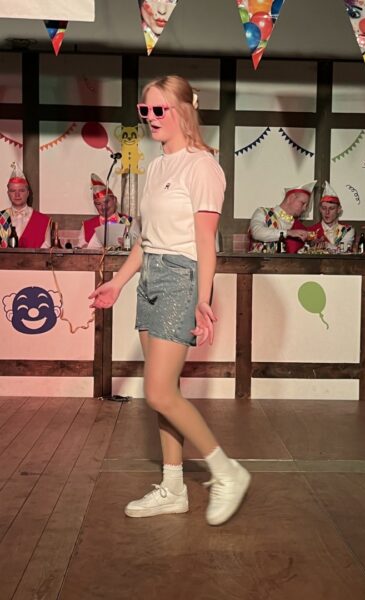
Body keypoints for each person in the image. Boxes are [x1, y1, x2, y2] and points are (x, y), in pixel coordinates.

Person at [89, 75, 250, 526]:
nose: (151, 118)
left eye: (159, 109)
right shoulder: (159, 166)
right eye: (145, 110)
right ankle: (173, 487)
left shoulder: (203, 167)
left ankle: (227, 472)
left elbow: (205, 241)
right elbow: (146, 238)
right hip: (150, 277)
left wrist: (203, 298)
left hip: (181, 278)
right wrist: (118, 282)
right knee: (165, 394)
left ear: (184, 110)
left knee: (158, 391)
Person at [248, 181, 316, 253]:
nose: (305, 209)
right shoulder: (263, 212)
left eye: (306, 206)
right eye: (302, 203)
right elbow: (256, 232)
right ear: (290, 198)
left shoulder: (299, 226)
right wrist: (288, 233)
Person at [288, 181, 355, 253]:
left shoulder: (347, 230)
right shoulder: (310, 231)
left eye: (331, 208)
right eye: (324, 208)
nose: (327, 212)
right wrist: (310, 246)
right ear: (320, 209)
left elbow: (343, 251)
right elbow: (300, 252)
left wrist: (326, 245)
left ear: (339, 209)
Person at [77, 173, 140, 249]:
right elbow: (80, 250)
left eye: (106, 202)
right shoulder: (87, 225)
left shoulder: (128, 220)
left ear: (114, 200)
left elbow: (139, 246)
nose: (103, 207)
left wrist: (128, 245)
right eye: (98, 204)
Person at [0, 163, 50, 248]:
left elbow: (45, 252)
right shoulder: (1, 218)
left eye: (21, 190)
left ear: (28, 193)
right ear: (8, 194)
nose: (17, 195)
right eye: (13, 191)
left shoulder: (43, 221)